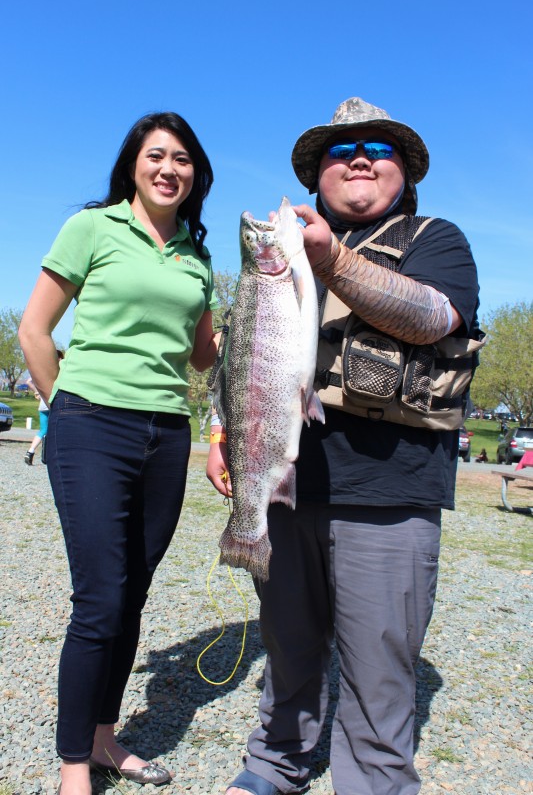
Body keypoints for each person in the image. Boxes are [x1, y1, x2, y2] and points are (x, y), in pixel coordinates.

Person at [207, 97, 482, 795]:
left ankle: (374, 783)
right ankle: (272, 767)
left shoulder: (434, 239)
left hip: (391, 495)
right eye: (339, 149)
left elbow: (432, 318)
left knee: (378, 668)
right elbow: (246, 351)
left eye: (377, 147)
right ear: (315, 177)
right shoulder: (281, 257)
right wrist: (223, 432)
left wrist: (328, 260)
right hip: (284, 490)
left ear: (403, 172)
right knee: (287, 650)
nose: (358, 156)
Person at [18, 112, 219, 795]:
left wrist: (283, 317)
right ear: (133, 164)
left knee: (131, 595)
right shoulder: (93, 228)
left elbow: (203, 354)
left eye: (182, 158)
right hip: (91, 423)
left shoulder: (197, 253)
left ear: (196, 174)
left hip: (167, 432)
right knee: (100, 598)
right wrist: (64, 406)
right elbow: (35, 328)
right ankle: (75, 762)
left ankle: (105, 738)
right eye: (156, 155)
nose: (169, 168)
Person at [24, 349, 64, 465]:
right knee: (55, 429)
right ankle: (48, 455)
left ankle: (30, 451)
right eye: (61, 357)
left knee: (43, 430)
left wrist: (37, 392)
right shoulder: (59, 369)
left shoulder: (43, 369)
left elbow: (28, 381)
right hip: (53, 402)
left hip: (43, 403)